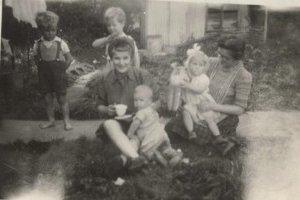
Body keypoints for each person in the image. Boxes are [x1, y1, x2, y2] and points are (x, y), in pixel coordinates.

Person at [165, 36, 252, 155]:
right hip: (199, 105)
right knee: (173, 124)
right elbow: (193, 73)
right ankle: (196, 141)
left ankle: (216, 142)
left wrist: (211, 106)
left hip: (222, 113)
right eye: (219, 54)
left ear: (237, 59)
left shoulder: (243, 76)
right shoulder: (211, 63)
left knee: (202, 131)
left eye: (225, 58)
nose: (220, 59)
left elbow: (239, 109)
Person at [92, 37, 159, 178]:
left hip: (141, 123)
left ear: (132, 58)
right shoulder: (105, 79)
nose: (121, 62)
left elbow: (158, 101)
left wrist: (145, 111)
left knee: (136, 137)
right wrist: (106, 109)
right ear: (111, 59)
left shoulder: (142, 75)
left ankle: (125, 159)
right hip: (119, 124)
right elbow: (98, 105)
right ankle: (136, 158)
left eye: (125, 58)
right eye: (117, 58)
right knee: (108, 123)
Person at [33, 11, 73, 130]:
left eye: (53, 30)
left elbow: (69, 59)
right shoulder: (37, 44)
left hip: (58, 76)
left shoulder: (61, 43)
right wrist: (42, 69)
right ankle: (51, 121)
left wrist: (61, 70)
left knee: (62, 98)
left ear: (56, 29)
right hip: (44, 76)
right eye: (47, 30)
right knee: (47, 99)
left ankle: (67, 121)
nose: (50, 33)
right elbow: (36, 59)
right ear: (41, 30)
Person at [127, 85, 183, 167]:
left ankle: (162, 161)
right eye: (135, 100)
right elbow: (159, 103)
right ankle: (174, 156)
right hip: (161, 135)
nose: (137, 103)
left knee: (149, 152)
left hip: (150, 139)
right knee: (165, 149)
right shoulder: (151, 109)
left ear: (149, 101)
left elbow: (135, 123)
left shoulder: (141, 112)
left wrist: (130, 134)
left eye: (141, 100)